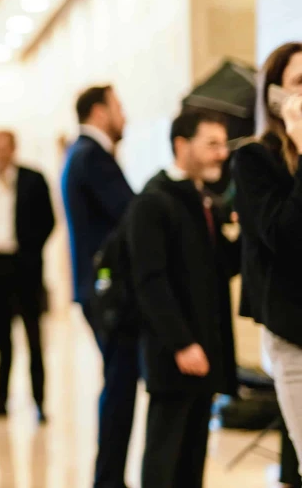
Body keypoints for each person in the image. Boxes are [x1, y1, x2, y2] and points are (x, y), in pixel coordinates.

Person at [128, 110, 238, 488]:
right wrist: (181, 343)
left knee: (192, 459)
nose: (221, 154)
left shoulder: (203, 200)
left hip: (204, 349)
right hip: (175, 353)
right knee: (165, 457)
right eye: (212, 144)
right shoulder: (153, 201)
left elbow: (219, 269)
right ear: (181, 145)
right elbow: (150, 281)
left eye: (224, 145)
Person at [61, 85, 137, 488]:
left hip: (97, 288)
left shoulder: (85, 154)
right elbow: (131, 213)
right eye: (119, 107)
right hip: (108, 292)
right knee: (120, 383)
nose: (125, 115)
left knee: (119, 380)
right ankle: (108, 481)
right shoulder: (92, 155)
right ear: (99, 112)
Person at [232, 41, 302, 474]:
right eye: (299, 82)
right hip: (294, 335)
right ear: (275, 96)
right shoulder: (255, 159)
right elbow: (285, 235)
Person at [0, 131, 54, 424]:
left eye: (2, 148)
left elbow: (49, 221)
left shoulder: (34, 179)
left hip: (25, 268)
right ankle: (0, 400)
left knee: (34, 338)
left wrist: (29, 251)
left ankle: (39, 402)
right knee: (1, 340)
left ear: (13, 150)